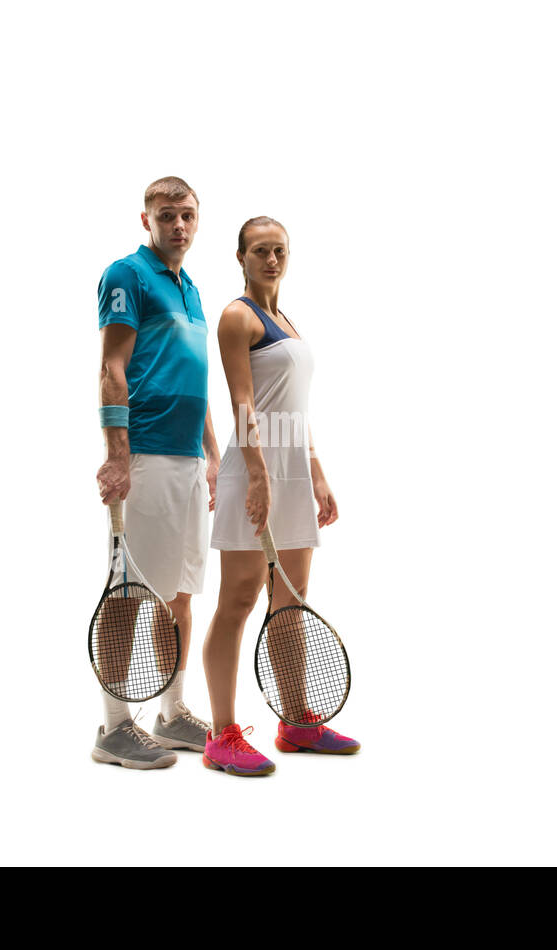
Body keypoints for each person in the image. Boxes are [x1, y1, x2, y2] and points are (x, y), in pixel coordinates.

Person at [202, 217, 361, 776]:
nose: (272, 260)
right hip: (253, 471)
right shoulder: (236, 317)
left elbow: (294, 410)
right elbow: (244, 404)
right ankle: (221, 735)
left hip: (290, 470)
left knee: (291, 601)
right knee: (239, 600)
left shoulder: (286, 321)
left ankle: (296, 722)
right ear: (241, 257)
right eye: (261, 251)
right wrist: (259, 475)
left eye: (280, 251)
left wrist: (315, 473)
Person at [92, 176, 220, 769]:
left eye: (187, 215)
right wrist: (118, 456)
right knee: (129, 596)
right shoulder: (128, 275)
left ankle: (171, 714)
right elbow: (111, 368)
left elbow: (196, 381)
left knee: (180, 593)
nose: (179, 226)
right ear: (147, 220)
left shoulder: (191, 287)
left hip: (189, 463)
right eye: (167, 215)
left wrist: (214, 455)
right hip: (146, 456)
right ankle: (114, 726)